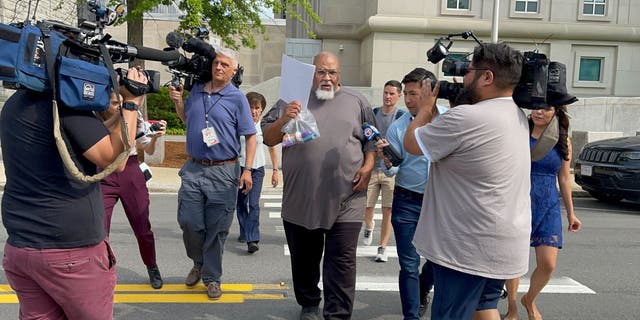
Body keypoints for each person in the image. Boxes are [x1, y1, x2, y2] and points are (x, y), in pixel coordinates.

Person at [1, 67, 146, 319]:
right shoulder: (66, 105)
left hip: (22, 247)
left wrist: (116, 115)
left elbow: (80, 136)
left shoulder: (16, 103)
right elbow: (115, 159)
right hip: (71, 253)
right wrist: (132, 103)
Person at [404, 43, 531, 320]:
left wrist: (425, 109)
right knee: (484, 308)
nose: (463, 77)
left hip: (466, 248)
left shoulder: (468, 117)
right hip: (502, 244)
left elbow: (412, 143)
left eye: (469, 70)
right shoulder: (518, 115)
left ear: (487, 77)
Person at [262, 51, 376, 320]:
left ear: (339, 75)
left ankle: (337, 314)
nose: (327, 78)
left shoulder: (357, 101)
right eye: (321, 72)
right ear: (312, 73)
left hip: (348, 197)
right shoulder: (291, 98)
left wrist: (369, 165)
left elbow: (372, 138)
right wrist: (283, 119)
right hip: (302, 198)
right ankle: (309, 303)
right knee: (304, 259)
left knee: (342, 262)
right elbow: (268, 138)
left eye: (332, 72)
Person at [168, 46, 257, 300]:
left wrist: (248, 170)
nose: (218, 67)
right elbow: (189, 121)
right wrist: (177, 103)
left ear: (234, 70)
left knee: (217, 228)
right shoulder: (196, 90)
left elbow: (250, 136)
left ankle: (212, 277)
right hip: (194, 168)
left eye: (224, 65)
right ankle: (199, 262)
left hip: (224, 171)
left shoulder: (236, 97)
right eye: (216, 63)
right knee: (189, 221)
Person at [503, 62, 582, 320]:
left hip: (547, 203)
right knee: (515, 261)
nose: (538, 111)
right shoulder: (519, 130)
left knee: (548, 264)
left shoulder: (561, 139)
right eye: (536, 106)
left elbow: (564, 178)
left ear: (556, 111)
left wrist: (571, 213)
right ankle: (513, 306)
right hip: (518, 200)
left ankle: (530, 299)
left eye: (545, 107)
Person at [376, 68, 446, 319]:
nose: (407, 99)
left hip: (441, 202)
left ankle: (424, 286)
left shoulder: (449, 120)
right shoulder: (398, 127)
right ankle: (411, 316)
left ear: (431, 92)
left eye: (414, 93)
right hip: (407, 201)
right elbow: (393, 168)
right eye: (406, 93)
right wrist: (386, 160)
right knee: (408, 264)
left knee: (439, 261)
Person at [99, 102, 167, 289]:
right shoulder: (96, 117)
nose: (119, 106)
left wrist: (155, 137)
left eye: (122, 102)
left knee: (142, 226)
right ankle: (102, 272)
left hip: (130, 169)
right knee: (100, 230)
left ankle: (152, 266)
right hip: (105, 171)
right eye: (114, 103)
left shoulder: (136, 117)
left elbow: (150, 149)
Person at [363, 80, 405, 263]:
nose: (388, 97)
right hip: (372, 166)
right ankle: (369, 225)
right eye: (386, 93)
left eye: (392, 94)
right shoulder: (374, 113)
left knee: (387, 209)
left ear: (399, 96)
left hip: (391, 169)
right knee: (366, 205)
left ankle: (383, 247)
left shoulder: (402, 116)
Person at [236, 91, 279, 254]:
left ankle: (252, 239)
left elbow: (273, 149)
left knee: (253, 204)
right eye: (251, 107)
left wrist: (275, 171)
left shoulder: (264, 126)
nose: (254, 111)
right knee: (241, 203)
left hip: (258, 170)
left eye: (257, 108)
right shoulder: (239, 124)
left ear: (262, 109)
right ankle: (244, 230)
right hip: (240, 168)